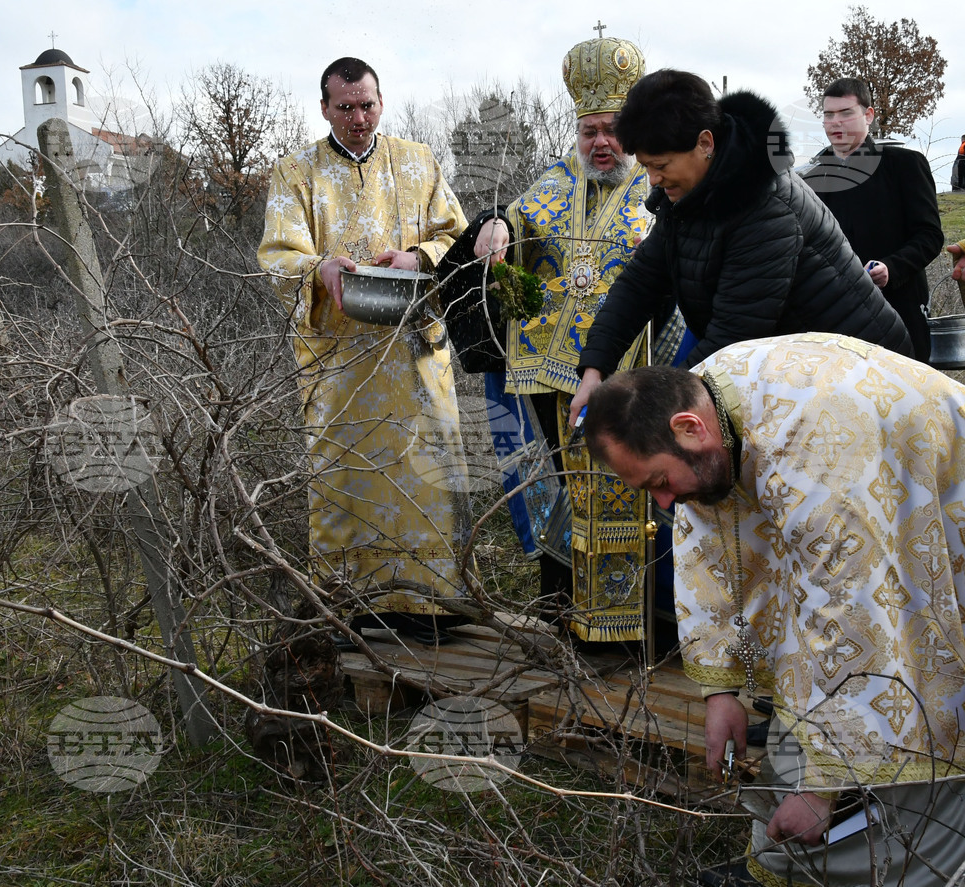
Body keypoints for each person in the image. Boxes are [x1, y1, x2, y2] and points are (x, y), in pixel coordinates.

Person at [583, 332, 965, 887]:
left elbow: (853, 614)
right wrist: (721, 692)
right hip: (867, 521)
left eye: (661, 483)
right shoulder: (704, 402)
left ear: (691, 430)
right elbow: (706, 551)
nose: (663, 504)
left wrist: (820, 790)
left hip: (934, 509)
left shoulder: (822, 447)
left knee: (924, 712)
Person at [439, 36, 687, 644]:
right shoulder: (551, 184)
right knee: (560, 499)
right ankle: (566, 622)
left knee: (633, 496)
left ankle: (637, 634)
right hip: (551, 379)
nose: (600, 142)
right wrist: (494, 226)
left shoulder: (659, 190)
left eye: (611, 129)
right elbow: (509, 220)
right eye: (588, 131)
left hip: (634, 379)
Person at [257, 57, 473, 644]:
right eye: (345, 107)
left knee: (426, 468)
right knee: (345, 474)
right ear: (324, 108)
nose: (358, 117)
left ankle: (433, 606)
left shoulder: (418, 161)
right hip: (341, 359)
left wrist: (419, 257)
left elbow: (457, 235)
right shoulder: (295, 172)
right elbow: (277, 253)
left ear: (382, 101)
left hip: (413, 349)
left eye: (368, 104)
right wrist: (318, 266)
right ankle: (355, 607)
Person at [569, 69, 913, 424]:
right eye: (645, 167)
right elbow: (640, 283)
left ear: (705, 143)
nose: (652, 179)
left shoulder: (768, 206)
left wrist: (651, 410)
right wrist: (595, 369)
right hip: (799, 375)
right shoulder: (687, 194)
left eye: (661, 165)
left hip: (867, 383)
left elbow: (733, 337)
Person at [800, 78, 943, 361]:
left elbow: (929, 235)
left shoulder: (904, 165)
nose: (835, 123)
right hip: (830, 327)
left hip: (898, 316)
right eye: (829, 115)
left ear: (868, 116)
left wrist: (892, 267)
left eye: (846, 113)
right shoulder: (809, 179)